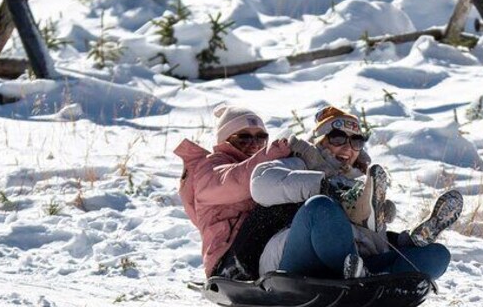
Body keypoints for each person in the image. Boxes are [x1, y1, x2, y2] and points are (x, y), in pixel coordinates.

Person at [250, 105, 463, 280]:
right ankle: (363, 275)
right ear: (320, 140)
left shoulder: (358, 184)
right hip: (292, 260)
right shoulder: (300, 163)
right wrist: (324, 187)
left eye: (356, 141)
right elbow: (260, 184)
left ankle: (380, 271)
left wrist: (399, 243)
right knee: (322, 206)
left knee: (437, 255)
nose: (347, 147)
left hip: (353, 265)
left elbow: (369, 244)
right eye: (337, 138)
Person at [174, 104, 291, 279]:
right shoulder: (210, 166)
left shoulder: (261, 164)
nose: (254, 144)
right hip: (227, 261)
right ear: (226, 140)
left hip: (257, 249)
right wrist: (271, 154)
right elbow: (234, 181)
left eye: (261, 138)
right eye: (244, 138)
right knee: (272, 209)